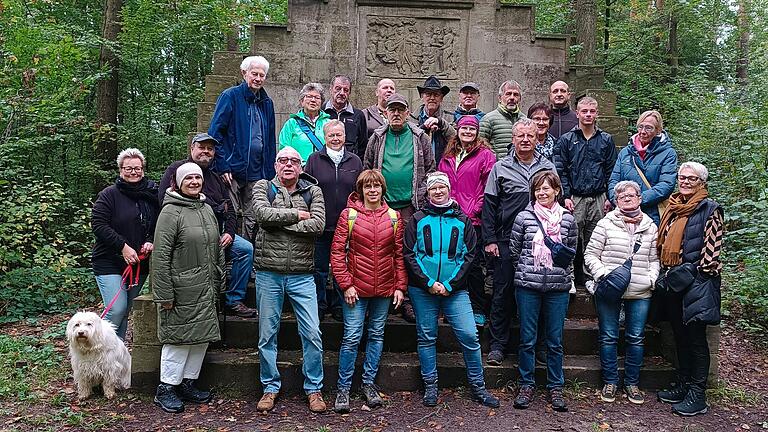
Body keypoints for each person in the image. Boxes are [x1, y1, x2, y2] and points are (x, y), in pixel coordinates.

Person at [403, 172, 500, 409]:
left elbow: (469, 255)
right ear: (427, 193)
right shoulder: (417, 219)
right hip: (423, 289)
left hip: (455, 290)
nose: (438, 192)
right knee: (427, 337)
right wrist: (428, 283)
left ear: (449, 190)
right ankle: (431, 385)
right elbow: (409, 254)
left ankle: (478, 386)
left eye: (442, 188)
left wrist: (449, 285)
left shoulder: (462, 220)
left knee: (469, 335)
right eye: (433, 188)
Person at [251, 146, 327, 413]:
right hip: (268, 272)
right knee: (267, 335)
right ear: (275, 165)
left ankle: (314, 388)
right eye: (283, 160)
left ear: (301, 167)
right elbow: (262, 215)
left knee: (312, 333)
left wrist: (278, 223)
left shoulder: (312, 191)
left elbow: (318, 225)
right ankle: (270, 387)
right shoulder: (263, 187)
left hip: (302, 275)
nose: (288, 165)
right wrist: (297, 215)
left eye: (294, 161)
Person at [330, 170, 407, 413]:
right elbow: (337, 254)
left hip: (384, 289)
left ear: (383, 189)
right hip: (356, 289)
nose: (372, 190)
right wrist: (346, 284)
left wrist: (400, 287)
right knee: (352, 336)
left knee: (376, 335)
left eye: (376, 186)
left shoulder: (394, 217)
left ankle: (369, 384)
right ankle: (343, 389)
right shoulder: (349, 215)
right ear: (361, 190)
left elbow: (399, 256)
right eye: (367, 187)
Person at [158, 133, 256, 318]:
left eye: (210, 149)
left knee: (245, 250)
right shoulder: (176, 170)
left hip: (217, 235)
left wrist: (229, 233)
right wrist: (215, 206)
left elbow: (230, 210)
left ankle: (234, 299)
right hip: (187, 237)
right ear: (192, 148)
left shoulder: (215, 177)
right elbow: (164, 201)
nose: (206, 152)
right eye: (201, 147)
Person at [482, 119, 555, 365]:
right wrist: (490, 239)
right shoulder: (500, 167)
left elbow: (556, 204)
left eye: (530, 136)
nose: (525, 139)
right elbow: (490, 206)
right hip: (505, 240)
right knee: (502, 293)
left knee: (539, 294)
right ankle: (497, 345)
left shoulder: (548, 168)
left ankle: (540, 346)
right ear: (513, 139)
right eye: (520, 135)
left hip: (541, 242)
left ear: (537, 139)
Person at [152, 162, 223, 413]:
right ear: (178, 182)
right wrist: (163, 293)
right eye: (188, 178)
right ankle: (166, 388)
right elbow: (160, 256)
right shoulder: (170, 212)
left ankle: (187, 383)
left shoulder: (205, 208)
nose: (194, 182)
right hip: (181, 288)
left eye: (197, 177)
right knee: (178, 339)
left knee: (200, 337)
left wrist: (218, 279)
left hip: (205, 286)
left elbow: (215, 248)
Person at [656, 162, 723, 416]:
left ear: (701, 183)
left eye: (691, 179)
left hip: (697, 283)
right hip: (674, 282)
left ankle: (698, 393)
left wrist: (690, 274)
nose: (684, 182)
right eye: (682, 177)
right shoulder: (673, 207)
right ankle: (683, 383)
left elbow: (711, 253)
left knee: (696, 340)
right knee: (680, 337)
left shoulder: (710, 209)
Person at [584, 180, 660, 405]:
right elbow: (590, 255)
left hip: (640, 290)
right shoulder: (605, 224)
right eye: (621, 196)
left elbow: (655, 260)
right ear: (615, 201)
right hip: (609, 289)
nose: (626, 198)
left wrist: (651, 279)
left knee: (635, 337)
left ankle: (632, 383)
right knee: (608, 336)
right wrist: (602, 275)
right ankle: (610, 382)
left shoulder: (650, 226)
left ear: (639, 198)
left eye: (631, 195)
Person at [509, 170, 577, 412]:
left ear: (557, 191)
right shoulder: (523, 218)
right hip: (528, 285)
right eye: (538, 189)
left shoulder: (568, 220)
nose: (542, 192)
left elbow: (571, 252)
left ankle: (555, 386)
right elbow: (515, 251)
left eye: (546, 188)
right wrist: (529, 271)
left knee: (555, 340)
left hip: (558, 287)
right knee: (527, 339)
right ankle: (526, 384)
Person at [364, 93, 435, 323]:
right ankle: (381, 298)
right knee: (381, 251)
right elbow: (368, 168)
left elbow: (431, 168)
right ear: (385, 113)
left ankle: (406, 300)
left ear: (407, 113)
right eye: (392, 109)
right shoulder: (376, 137)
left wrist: (422, 195)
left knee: (408, 253)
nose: (396, 113)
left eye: (400, 110)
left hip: (410, 206)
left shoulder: (419, 137)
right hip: (382, 206)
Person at [91, 147, 159, 340]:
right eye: (128, 168)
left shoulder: (152, 194)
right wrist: (123, 246)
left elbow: (158, 222)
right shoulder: (109, 195)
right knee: (116, 309)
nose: (133, 172)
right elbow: (98, 224)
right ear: (121, 170)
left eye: (137, 168)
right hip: (109, 260)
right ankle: (100, 349)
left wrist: (151, 240)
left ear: (143, 169)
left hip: (139, 263)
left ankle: (116, 353)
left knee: (125, 311)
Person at [208, 55, 276, 241]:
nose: (258, 78)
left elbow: (270, 140)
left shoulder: (267, 103)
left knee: (253, 219)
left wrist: (269, 172)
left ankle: (249, 260)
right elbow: (214, 134)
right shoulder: (230, 96)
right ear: (244, 73)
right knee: (227, 215)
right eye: (254, 74)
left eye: (262, 75)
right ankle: (226, 260)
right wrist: (222, 165)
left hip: (257, 172)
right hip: (232, 171)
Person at [437, 115, 496, 325]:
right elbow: (442, 183)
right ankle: (449, 307)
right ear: (458, 130)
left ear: (477, 132)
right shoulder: (448, 156)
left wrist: (474, 209)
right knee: (451, 261)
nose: (468, 132)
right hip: (450, 217)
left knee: (473, 265)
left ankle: (478, 307)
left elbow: (488, 187)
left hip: (473, 219)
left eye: (472, 129)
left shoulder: (486, 155)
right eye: (464, 128)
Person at [304, 120, 363, 321]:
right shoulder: (313, 160)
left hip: (346, 226)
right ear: (325, 137)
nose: (335, 139)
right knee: (319, 269)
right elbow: (306, 190)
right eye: (331, 135)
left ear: (345, 137)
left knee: (342, 268)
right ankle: (320, 304)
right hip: (321, 224)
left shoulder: (355, 161)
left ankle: (339, 305)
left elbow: (359, 193)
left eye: (339, 135)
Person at [555, 96, 617, 288]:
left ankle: (591, 277)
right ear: (577, 113)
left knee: (595, 241)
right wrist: (565, 196)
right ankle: (569, 277)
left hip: (599, 197)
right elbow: (560, 169)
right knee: (570, 239)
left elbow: (611, 169)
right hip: (575, 197)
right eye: (584, 111)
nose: (588, 115)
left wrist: (609, 196)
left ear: (597, 113)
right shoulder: (567, 140)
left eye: (592, 111)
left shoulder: (606, 139)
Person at [608, 110, 678, 226]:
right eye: (640, 127)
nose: (643, 132)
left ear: (658, 130)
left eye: (649, 128)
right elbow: (614, 180)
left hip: (652, 214)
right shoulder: (626, 152)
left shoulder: (668, 153)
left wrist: (637, 200)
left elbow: (666, 184)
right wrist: (617, 200)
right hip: (623, 213)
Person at [279, 82, 331, 162]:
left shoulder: (329, 124)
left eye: (317, 97)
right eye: (309, 96)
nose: (313, 100)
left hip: (324, 170)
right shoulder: (291, 124)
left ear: (321, 102)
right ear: (302, 101)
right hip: (299, 170)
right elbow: (284, 150)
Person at [409, 75, 456, 164]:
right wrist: (424, 128)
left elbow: (455, 139)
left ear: (441, 98)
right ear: (422, 96)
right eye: (428, 94)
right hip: (419, 166)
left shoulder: (450, 117)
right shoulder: (412, 118)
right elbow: (409, 141)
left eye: (436, 94)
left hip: (443, 166)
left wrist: (441, 123)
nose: (432, 98)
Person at [323, 75, 369, 158]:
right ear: (330, 89)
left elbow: (363, 145)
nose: (341, 93)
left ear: (349, 93)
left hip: (350, 164)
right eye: (338, 89)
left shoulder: (358, 115)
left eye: (346, 90)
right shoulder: (321, 112)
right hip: (324, 161)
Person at [480, 80, 526, 158]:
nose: (512, 98)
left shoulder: (524, 120)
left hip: (521, 167)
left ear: (520, 99)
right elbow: (480, 146)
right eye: (508, 94)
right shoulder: (488, 119)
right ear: (500, 98)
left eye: (516, 95)